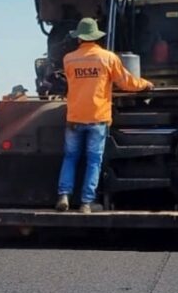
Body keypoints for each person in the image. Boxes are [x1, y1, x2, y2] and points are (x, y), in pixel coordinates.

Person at [56, 18, 153, 213]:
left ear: (79, 38)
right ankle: (86, 203)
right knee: (94, 160)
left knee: (70, 157)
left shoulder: (69, 59)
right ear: (96, 37)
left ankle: (64, 196)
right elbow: (126, 82)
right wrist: (145, 84)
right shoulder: (108, 58)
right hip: (97, 116)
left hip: (74, 117)